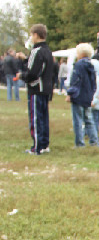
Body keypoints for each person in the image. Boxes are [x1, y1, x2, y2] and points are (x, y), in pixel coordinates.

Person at [16, 25, 54, 155]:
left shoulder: (36, 51)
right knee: (44, 118)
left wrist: (22, 76)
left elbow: (32, 73)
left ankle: (37, 147)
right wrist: (25, 59)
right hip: (46, 89)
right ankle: (44, 144)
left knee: (36, 119)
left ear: (36, 35)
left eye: (31, 35)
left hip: (36, 89)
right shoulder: (47, 51)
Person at [65, 43, 99, 147]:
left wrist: (70, 93)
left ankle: (79, 143)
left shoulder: (78, 65)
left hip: (78, 96)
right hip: (87, 96)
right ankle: (94, 141)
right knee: (89, 119)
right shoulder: (91, 65)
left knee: (78, 120)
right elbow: (93, 83)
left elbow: (76, 81)